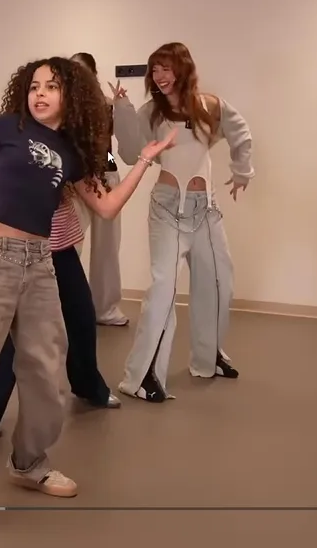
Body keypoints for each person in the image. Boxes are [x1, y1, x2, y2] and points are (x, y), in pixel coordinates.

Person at [0, 57, 175, 534]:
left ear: (70, 96)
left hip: (41, 262)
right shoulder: (7, 127)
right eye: (34, 85)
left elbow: (105, 206)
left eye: (51, 87)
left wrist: (144, 161)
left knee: (45, 374)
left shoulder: (71, 152)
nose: (39, 93)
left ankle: (28, 463)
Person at [111, 42, 253, 403]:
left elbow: (240, 133)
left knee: (219, 283)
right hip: (167, 209)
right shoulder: (150, 113)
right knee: (164, 289)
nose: (159, 76)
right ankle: (142, 376)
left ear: (183, 69)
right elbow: (129, 153)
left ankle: (209, 356)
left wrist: (242, 172)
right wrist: (122, 112)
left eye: (166, 68)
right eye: (155, 69)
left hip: (206, 210)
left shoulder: (209, 106)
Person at [0, 147, 121, 442]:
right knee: (11, 334)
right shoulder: (9, 144)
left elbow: (105, 184)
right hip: (18, 251)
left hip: (60, 249)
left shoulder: (69, 147)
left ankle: (88, 387)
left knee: (81, 319)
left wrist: (140, 162)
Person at [73, 52, 129, 327]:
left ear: (93, 73)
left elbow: (116, 144)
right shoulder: (64, 107)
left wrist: (122, 107)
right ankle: (63, 305)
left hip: (106, 172)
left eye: (81, 70)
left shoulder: (107, 105)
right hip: (76, 178)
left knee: (107, 246)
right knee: (69, 243)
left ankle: (105, 308)